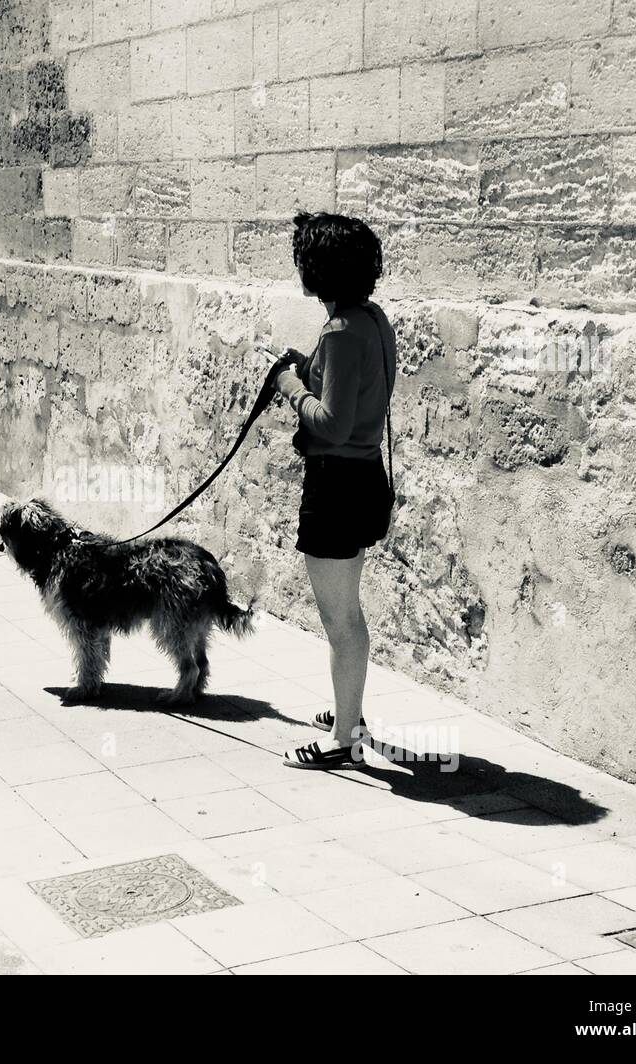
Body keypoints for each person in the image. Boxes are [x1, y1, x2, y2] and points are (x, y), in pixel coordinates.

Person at [264, 212, 397, 771]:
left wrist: (293, 387)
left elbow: (333, 423)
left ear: (318, 267)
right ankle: (350, 715)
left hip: (337, 485)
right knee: (347, 613)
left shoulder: (341, 332)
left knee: (340, 620)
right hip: (365, 479)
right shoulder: (372, 319)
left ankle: (345, 740)